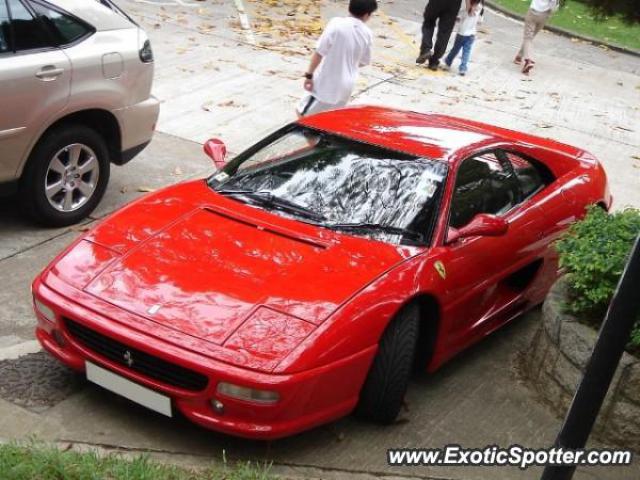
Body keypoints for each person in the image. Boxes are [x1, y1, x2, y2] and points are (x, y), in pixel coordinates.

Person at [297, 0, 377, 117]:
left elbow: (319, 52)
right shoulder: (367, 33)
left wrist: (309, 75)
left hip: (326, 84)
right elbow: (364, 61)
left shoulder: (336, 24)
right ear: (366, 15)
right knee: (328, 118)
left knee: (302, 114)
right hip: (347, 86)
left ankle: (312, 136)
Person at [416, 0, 471, 71]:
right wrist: (468, 6)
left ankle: (426, 49)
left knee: (428, 22)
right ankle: (434, 61)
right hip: (454, 4)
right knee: (445, 32)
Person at [515, 0, 560, 75]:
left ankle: (529, 60)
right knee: (530, 38)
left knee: (528, 38)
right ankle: (519, 57)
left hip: (533, 12)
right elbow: (553, 6)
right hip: (544, 15)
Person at [443, 0, 484, 76]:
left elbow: (458, 18)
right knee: (466, 52)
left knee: (455, 49)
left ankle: (448, 63)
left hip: (461, 33)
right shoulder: (480, 8)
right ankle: (463, 68)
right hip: (472, 34)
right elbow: (480, 22)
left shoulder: (466, 9)